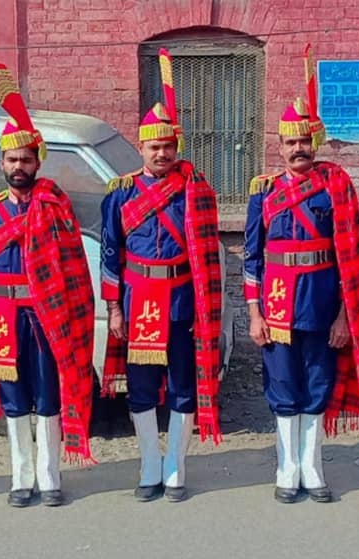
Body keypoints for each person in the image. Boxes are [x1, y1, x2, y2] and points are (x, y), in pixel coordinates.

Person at [244, 45, 359, 504]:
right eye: (289, 142)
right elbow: (251, 258)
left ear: (315, 142)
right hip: (277, 301)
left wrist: (347, 313)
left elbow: (351, 255)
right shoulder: (263, 193)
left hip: (323, 301)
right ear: (279, 147)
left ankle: (313, 467)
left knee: (317, 383)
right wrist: (254, 312)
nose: (298, 149)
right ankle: (287, 468)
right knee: (283, 385)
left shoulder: (336, 186)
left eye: (304, 141)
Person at [0, 63, 96, 508]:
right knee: (13, 396)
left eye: (26, 159)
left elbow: (75, 267)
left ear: (38, 161)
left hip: (46, 314)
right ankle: (21, 477)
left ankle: (50, 476)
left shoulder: (56, 206)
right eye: (11, 159)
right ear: (1, 162)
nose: (18, 166)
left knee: (48, 392)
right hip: (1, 315)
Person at [100, 48, 223, 502]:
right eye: (154, 146)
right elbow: (110, 253)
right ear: (142, 147)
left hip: (182, 302)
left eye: (169, 145)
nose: (162, 153)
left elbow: (208, 255)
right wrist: (113, 307)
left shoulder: (196, 189)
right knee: (143, 388)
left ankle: (176, 465)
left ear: (178, 146)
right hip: (138, 300)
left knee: (183, 385)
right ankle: (149, 465)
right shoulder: (122, 194)